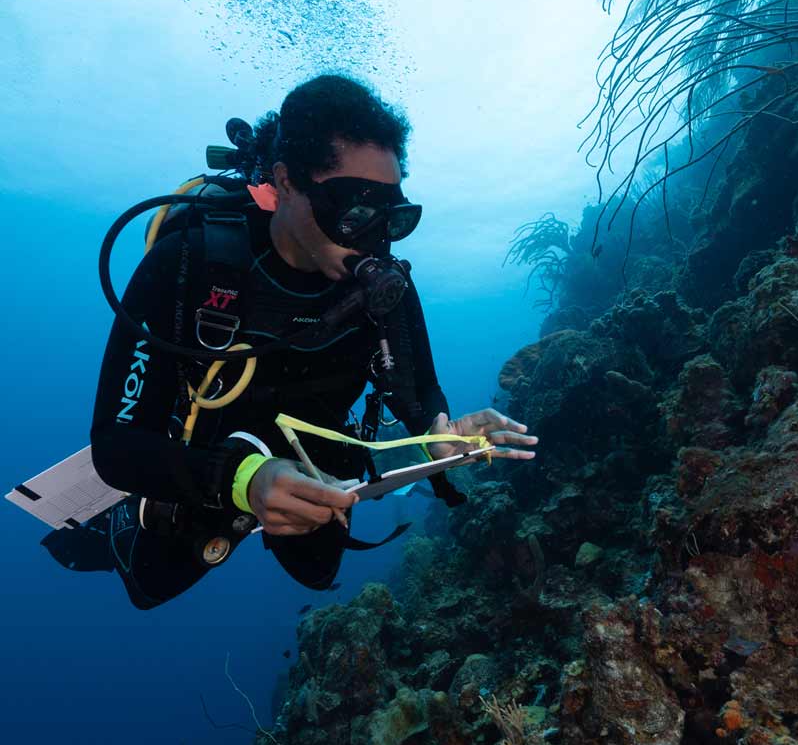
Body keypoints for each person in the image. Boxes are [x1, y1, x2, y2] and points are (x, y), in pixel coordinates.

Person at [71, 74, 537, 610]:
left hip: (315, 452)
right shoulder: (189, 266)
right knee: (151, 582)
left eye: (391, 219)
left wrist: (439, 435)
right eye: (353, 212)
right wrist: (242, 479)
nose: (372, 241)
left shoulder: (385, 289)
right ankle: (135, 518)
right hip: (213, 457)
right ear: (286, 182)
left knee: (317, 572)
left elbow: (420, 391)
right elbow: (116, 445)